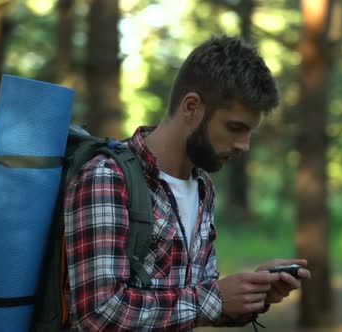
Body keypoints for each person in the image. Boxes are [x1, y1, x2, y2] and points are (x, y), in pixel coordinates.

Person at [63, 35, 311, 331]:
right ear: (191, 107)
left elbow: (195, 305)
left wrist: (250, 294)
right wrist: (216, 298)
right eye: (235, 127)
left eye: (249, 132)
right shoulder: (108, 178)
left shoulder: (203, 187)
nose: (244, 145)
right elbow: (98, 313)